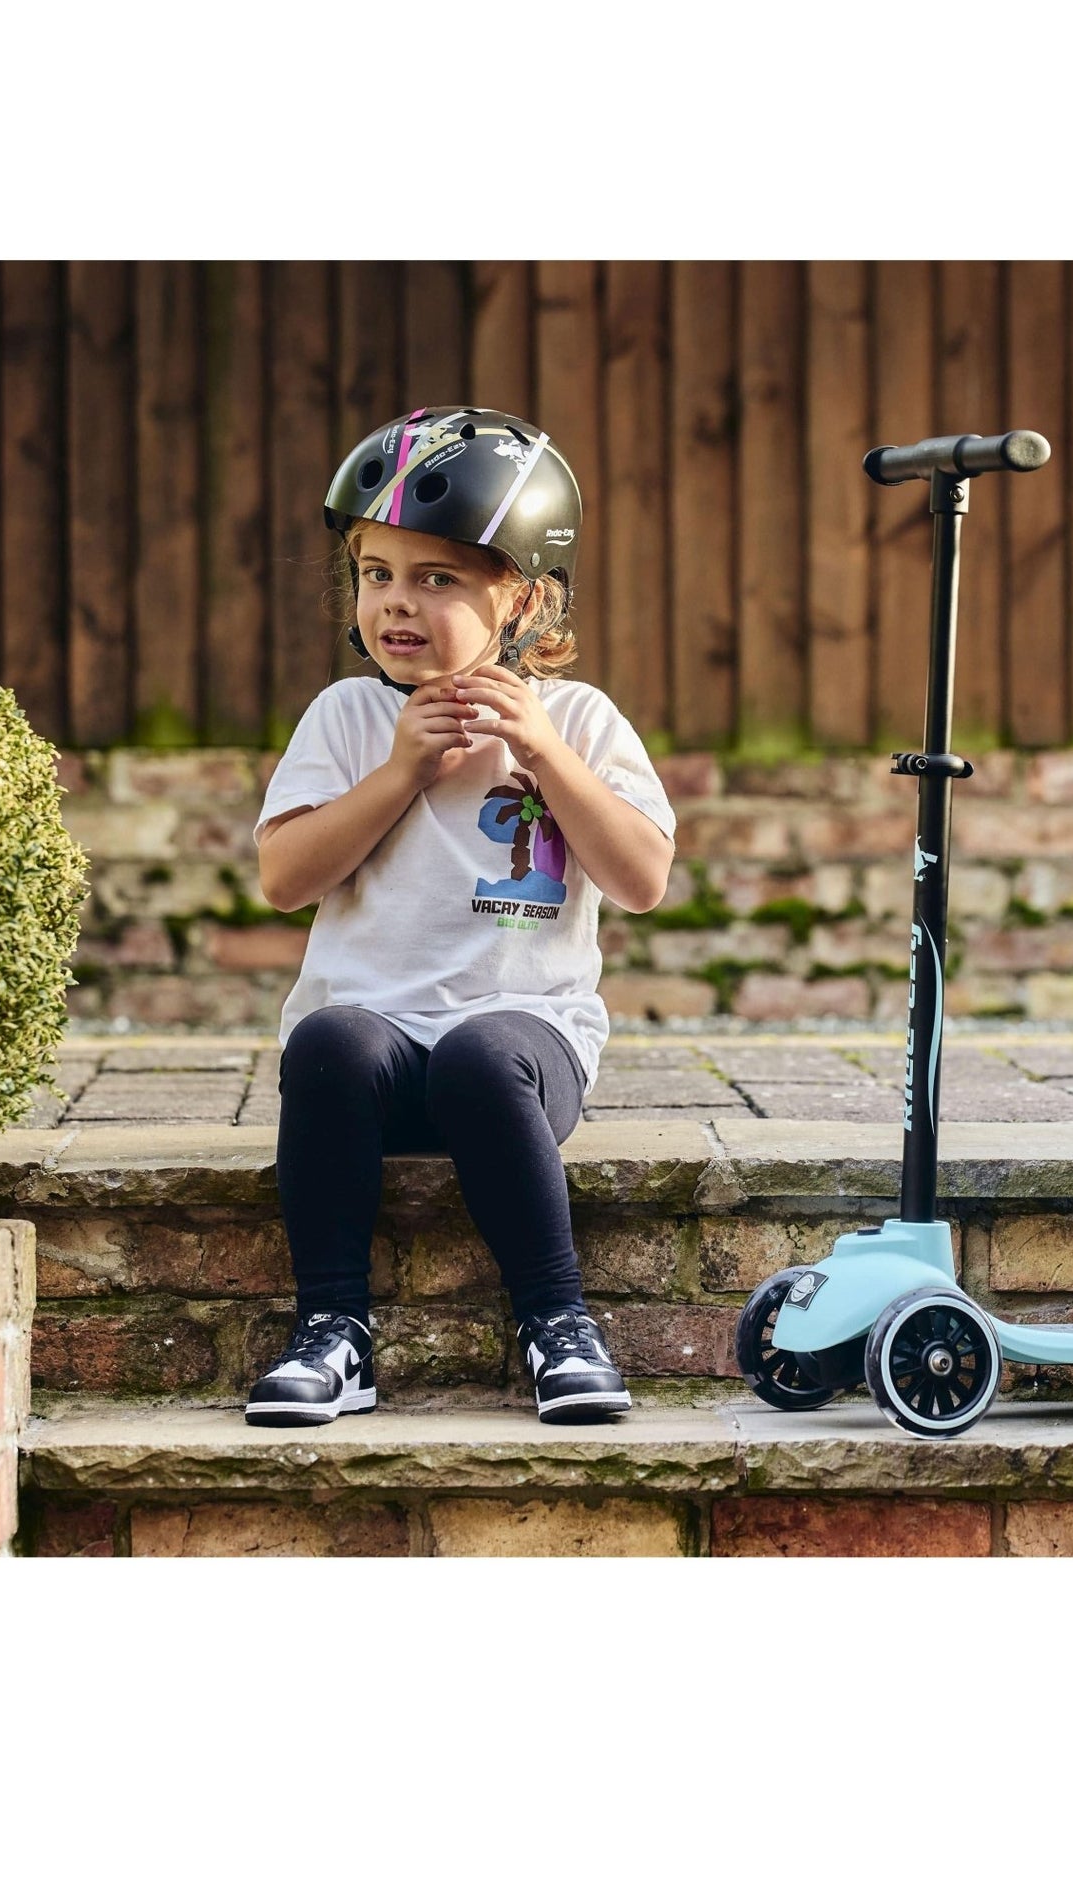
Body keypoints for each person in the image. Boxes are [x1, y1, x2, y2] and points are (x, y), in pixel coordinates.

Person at [245, 406, 675, 1427]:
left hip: (523, 1055)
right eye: (375, 572)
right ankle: (333, 1332)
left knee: (482, 1053)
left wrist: (545, 756)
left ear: (521, 597)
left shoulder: (576, 719)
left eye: (436, 578)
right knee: (326, 1040)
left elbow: (642, 876)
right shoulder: (347, 719)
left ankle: (558, 1324)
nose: (396, 602)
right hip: (379, 1065)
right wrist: (400, 769)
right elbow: (283, 878)